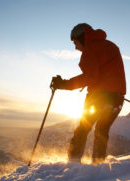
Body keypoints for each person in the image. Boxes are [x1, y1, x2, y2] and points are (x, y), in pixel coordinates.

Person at [51, 23, 126, 164]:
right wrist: (114, 92)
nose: (75, 47)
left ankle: (72, 163)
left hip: (99, 97)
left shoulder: (90, 49)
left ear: (82, 38)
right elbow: (109, 72)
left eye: (75, 42)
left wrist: (64, 84)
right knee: (101, 131)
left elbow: (90, 77)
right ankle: (98, 165)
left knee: (82, 130)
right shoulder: (110, 45)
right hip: (117, 98)